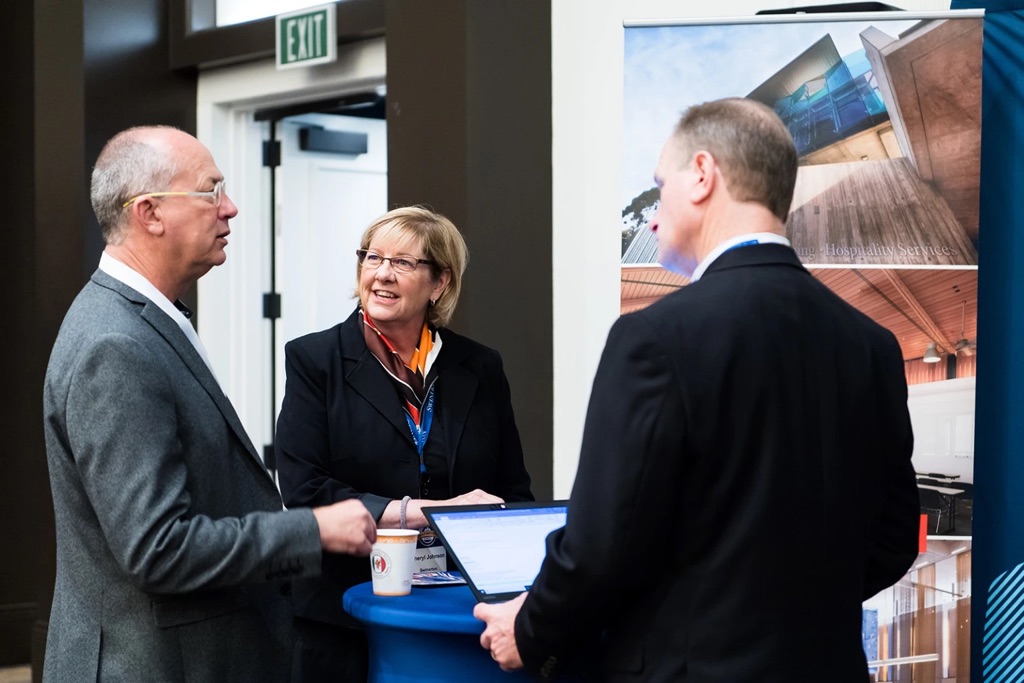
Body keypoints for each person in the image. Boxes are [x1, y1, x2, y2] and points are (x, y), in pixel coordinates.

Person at [475, 98, 920, 681]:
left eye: (661, 187)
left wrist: (529, 630)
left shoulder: (655, 336)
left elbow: (602, 546)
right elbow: (894, 536)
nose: (654, 216)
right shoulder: (872, 343)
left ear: (703, 175)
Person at [42, 125, 378, 683]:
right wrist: (313, 530)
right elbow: (158, 549)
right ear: (149, 213)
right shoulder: (116, 345)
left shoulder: (143, 320)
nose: (231, 208)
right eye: (210, 191)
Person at [275, 205, 534, 682]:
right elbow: (304, 489)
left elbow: (512, 491)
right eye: (373, 258)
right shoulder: (315, 360)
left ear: (440, 284)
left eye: (403, 263)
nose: (382, 275)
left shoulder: (479, 366)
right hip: (344, 612)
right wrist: (434, 510)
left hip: (456, 616)